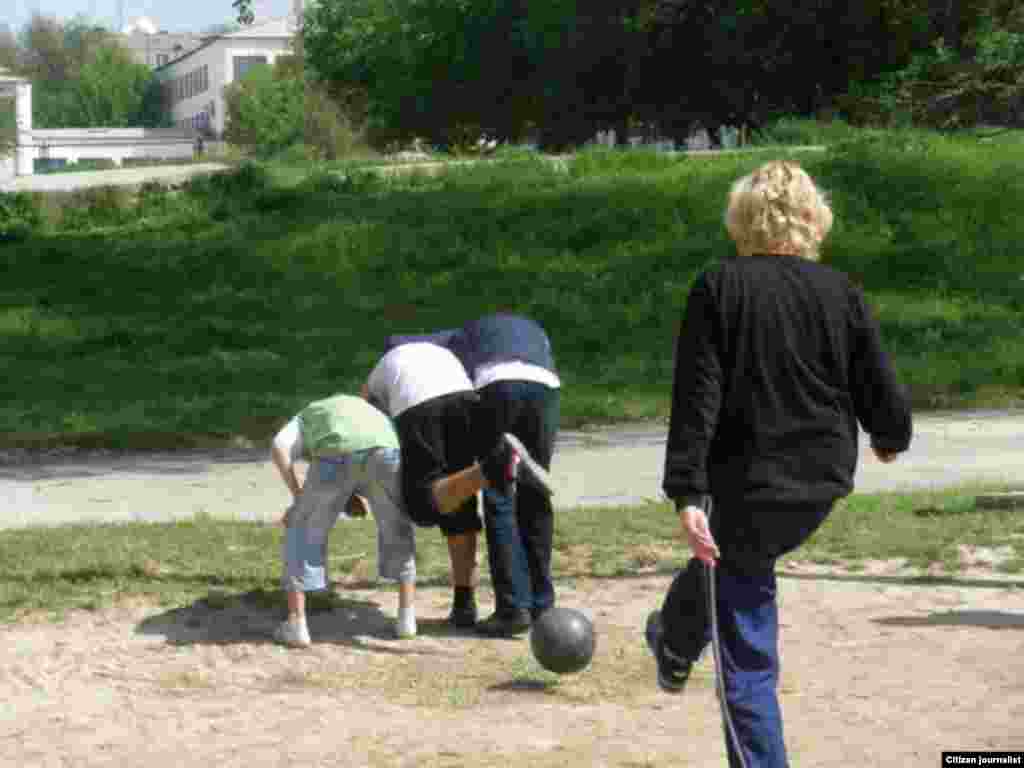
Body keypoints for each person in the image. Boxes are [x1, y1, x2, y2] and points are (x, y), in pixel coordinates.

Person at [644, 160, 912, 767]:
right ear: (815, 220)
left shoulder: (718, 285)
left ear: (740, 219)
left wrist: (687, 491)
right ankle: (674, 638)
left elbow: (697, 395)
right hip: (818, 483)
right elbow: (879, 382)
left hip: (744, 482)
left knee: (746, 638)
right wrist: (890, 435)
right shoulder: (840, 290)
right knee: (734, 562)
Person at [386, 313, 560, 637]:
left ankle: (512, 608)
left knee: (499, 493)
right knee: (535, 495)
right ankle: (542, 602)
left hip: (497, 384)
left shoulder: (459, 338)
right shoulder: (527, 326)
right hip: (546, 384)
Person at [270, 393, 418, 647]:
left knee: (301, 528)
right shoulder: (365, 411)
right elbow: (363, 459)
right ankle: (407, 618)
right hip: (387, 450)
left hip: (336, 451)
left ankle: (296, 624)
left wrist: (298, 500)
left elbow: (279, 448)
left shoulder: (305, 416)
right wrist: (350, 492)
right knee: (397, 527)